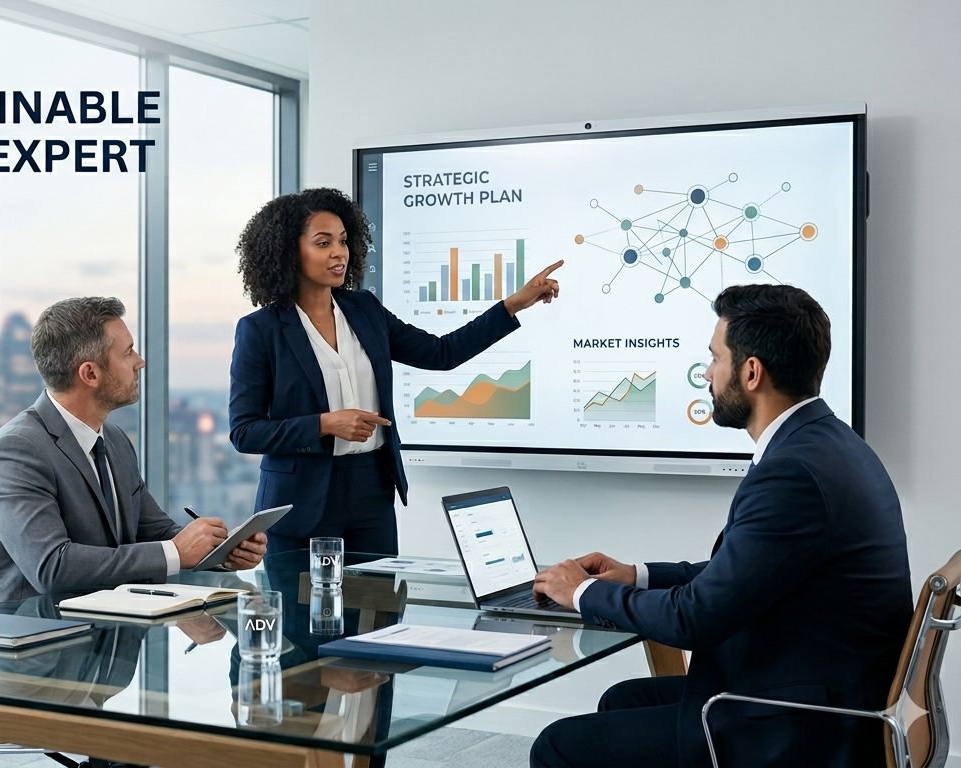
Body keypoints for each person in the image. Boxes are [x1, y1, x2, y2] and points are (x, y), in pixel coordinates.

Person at [529, 284, 912, 768]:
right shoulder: (830, 444)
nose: (708, 373)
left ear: (751, 372)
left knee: (557, 745)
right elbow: (742, 574)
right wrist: (636, 575)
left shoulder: (792, 472)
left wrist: (582, 592)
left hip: (804, 724)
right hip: (822, 691)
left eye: (715, 358)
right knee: (622, 699)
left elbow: (696, 619)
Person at [229, 187, 562, 555]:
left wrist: (513, 305)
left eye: (343, 241)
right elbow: (245, 432)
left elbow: (441, 353)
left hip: (371, 490)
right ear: (289, 252)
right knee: (301, 596)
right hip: (299, 502)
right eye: (323, 243)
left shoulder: (365, 309)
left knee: (378, 594)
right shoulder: (260, 330)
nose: (339, 252)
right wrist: (324, 424)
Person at [0, 297, 267, 604]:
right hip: (38, 627)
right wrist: (176, 552)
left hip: (112, 618)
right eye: (128, 353)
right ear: (90, 374)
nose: (140, 362)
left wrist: (220, 550)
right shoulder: (16, 452)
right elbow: (52, 568)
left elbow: (155, 532)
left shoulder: (114, 439)